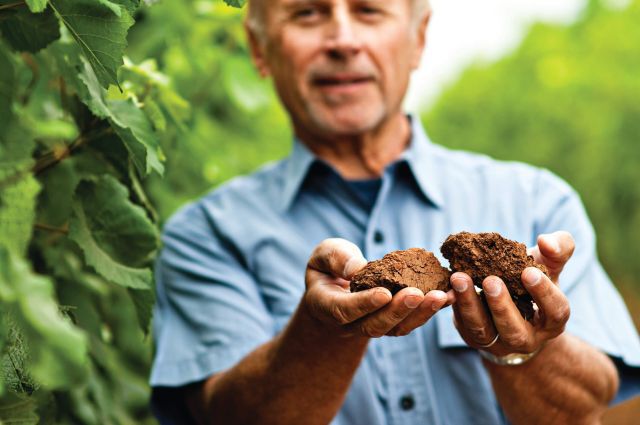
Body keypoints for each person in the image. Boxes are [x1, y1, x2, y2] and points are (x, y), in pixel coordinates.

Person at [149, 0, 640, 423]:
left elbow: (583, 412)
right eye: (306, 13)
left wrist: (524, 348)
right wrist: (321, 334)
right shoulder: (206, 234)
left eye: (369, 10)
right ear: (260, 49)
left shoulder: (536, 200)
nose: (342, 39)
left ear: (418, 38)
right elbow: (226, 418)